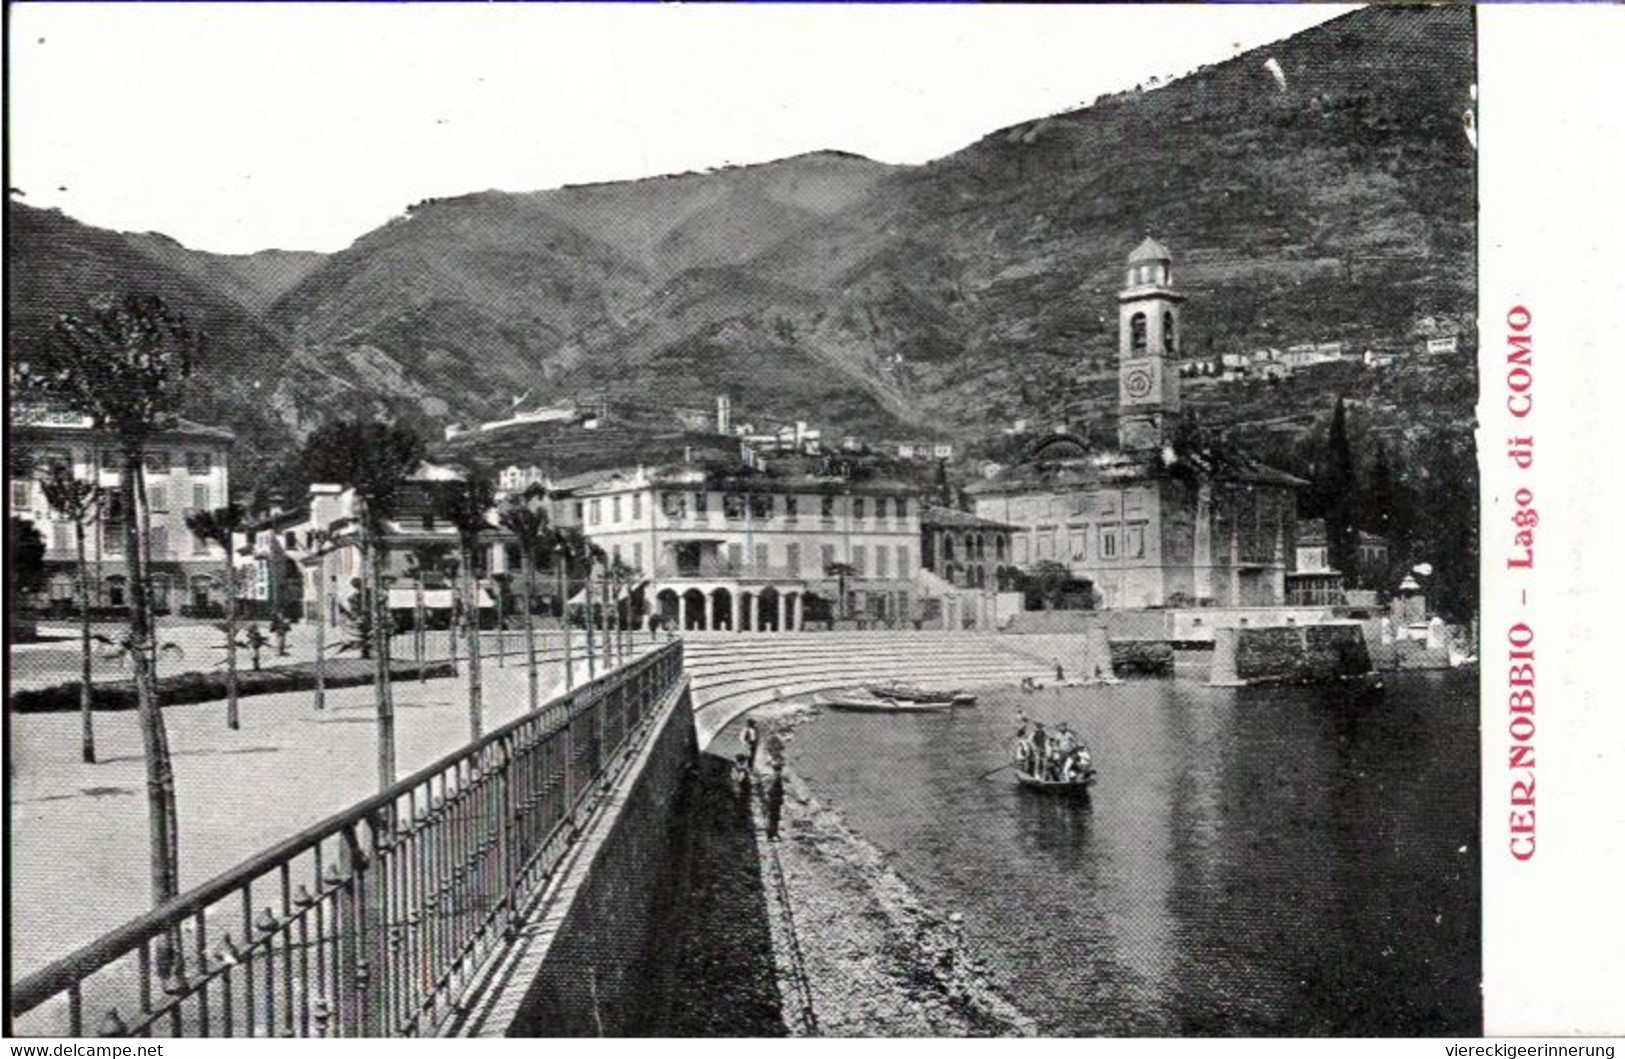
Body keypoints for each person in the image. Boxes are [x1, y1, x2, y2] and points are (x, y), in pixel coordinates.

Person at [765, 764, 786, 841]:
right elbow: (772, 790)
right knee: (773, 817)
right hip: (774, 800)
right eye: (778, 770)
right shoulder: (775, 778)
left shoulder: (774, 778)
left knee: (775, 817)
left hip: (775, 800)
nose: (779, 772)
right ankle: (771, 834)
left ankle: (774, 833)